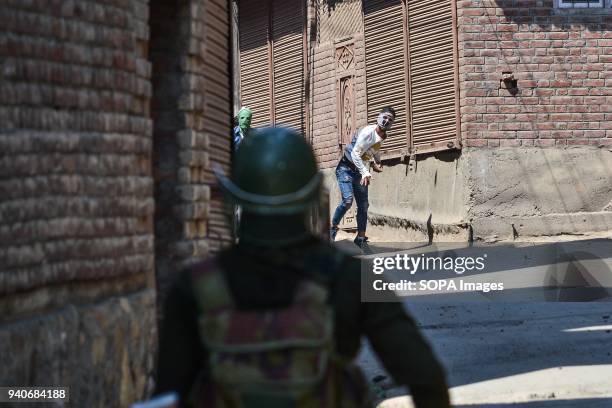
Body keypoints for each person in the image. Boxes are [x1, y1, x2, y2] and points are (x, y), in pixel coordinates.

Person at [155, 128, 450, 408]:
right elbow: (426, 377)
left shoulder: (195, 287)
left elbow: (168, 394)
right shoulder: (352, 277)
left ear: (234, 199)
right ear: (314, 198)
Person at [330, 107, 396, 253]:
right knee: (347, 201)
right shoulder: (368, 132)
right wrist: (365, 172)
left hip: (359, 171)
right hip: (346, 168)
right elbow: (355, 154)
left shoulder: (382, 135)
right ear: (378, 117)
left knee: (364, 205)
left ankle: (360, 239)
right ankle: (332, 229)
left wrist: (377, 161)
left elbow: (374, 149)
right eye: (385, 117)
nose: (386, 121)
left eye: (390, 120)